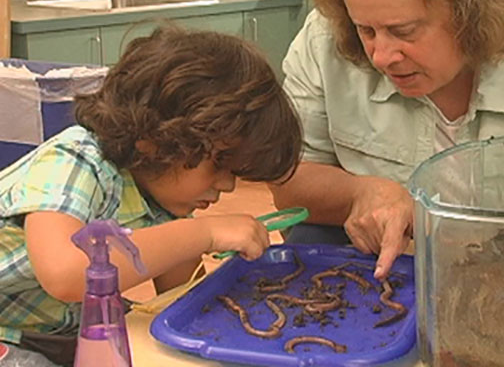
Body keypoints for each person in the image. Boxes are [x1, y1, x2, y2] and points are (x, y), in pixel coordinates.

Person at [270, 0, 504, 280]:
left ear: (474, 12)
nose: (381, 56)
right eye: (366, 30)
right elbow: (289, 181)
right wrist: (362, 192)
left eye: (404, 31)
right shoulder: (323, 37)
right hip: (392, 266)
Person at [0, 25, 302, 366]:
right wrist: (204, 233)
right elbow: (66, 275)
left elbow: (181, 301)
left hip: (64, 328)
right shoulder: (75, 161)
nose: (229, 186)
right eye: (219, 163)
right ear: (153, 139)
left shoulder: (163, 199)